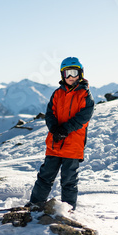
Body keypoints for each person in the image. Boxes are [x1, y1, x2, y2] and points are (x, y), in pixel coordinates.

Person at [27, 57, 94, 210]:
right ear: (62, 75)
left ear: (81, 74)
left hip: (73, 145)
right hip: (55, 142)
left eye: (74, 73)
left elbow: (83, 118)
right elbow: (50, 113)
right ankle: (35, 204)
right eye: (67, 74)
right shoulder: (57, 93)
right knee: (45, 176)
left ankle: (67, 210)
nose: (71, 77)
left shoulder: (85, 95)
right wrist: (54, 129)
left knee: (69, 181)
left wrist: (65, 129)